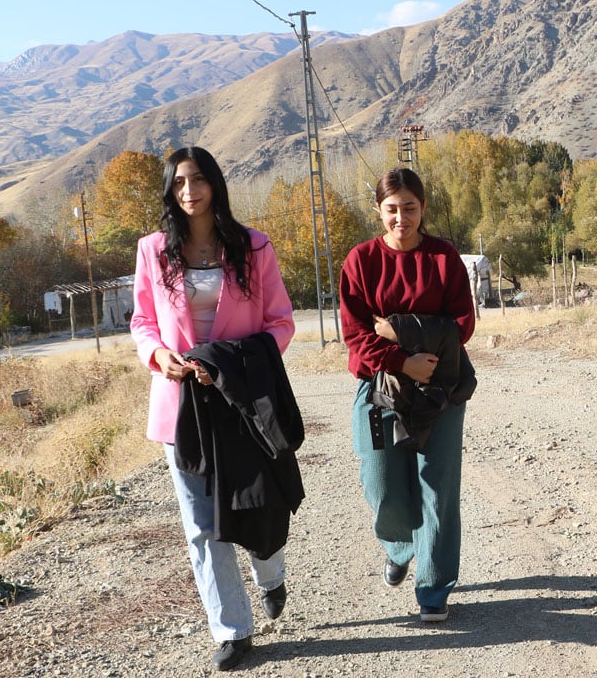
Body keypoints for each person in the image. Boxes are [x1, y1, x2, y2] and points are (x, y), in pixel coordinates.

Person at [130, 146, 299, 671]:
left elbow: (281, 322)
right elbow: (142, 323)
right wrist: (161, 356)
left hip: (243, 402)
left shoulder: (253, 246)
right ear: (169, 192)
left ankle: (270, 574)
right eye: (179, 183)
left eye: (198, 179)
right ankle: (232, 630)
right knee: (201, 523)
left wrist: (231, 363)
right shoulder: (153, 250)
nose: (189, 191)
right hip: (181, 407)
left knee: (255, 504)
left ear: (215, 185)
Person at [339, 167, 476, 623]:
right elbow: (357, 335)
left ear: (423, 209)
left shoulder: (444, 258)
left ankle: (434, 587)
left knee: (438, 489)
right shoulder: (360, 261)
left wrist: (396, 330)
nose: (402, 218)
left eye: (410, 208)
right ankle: (398, 547)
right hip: (379, 387)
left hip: (440, 387)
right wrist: (402, 360)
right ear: (379, 210)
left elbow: (463, 324)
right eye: (392, 209)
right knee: (381, 484)